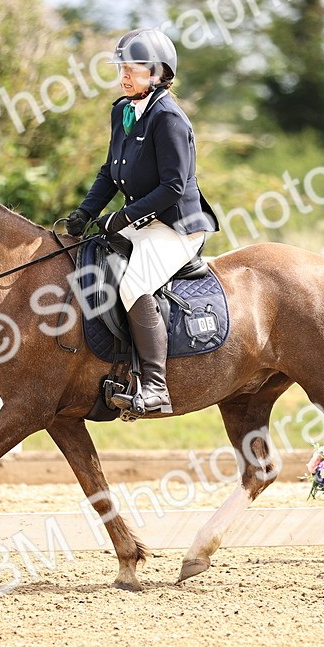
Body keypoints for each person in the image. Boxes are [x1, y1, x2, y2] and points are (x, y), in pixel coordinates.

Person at [66, 28, 218, 415]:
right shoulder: (123, 110)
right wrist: (86, 211)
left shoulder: (169, 118)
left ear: (157, 72)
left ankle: (155, 387)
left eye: (131, 69)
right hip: (145, 221)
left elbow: (173, 186)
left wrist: (122, 216)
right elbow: (109, 171)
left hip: (177, 227)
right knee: (90, 256)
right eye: (122, 69)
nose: (124, 76)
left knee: (134, 284)